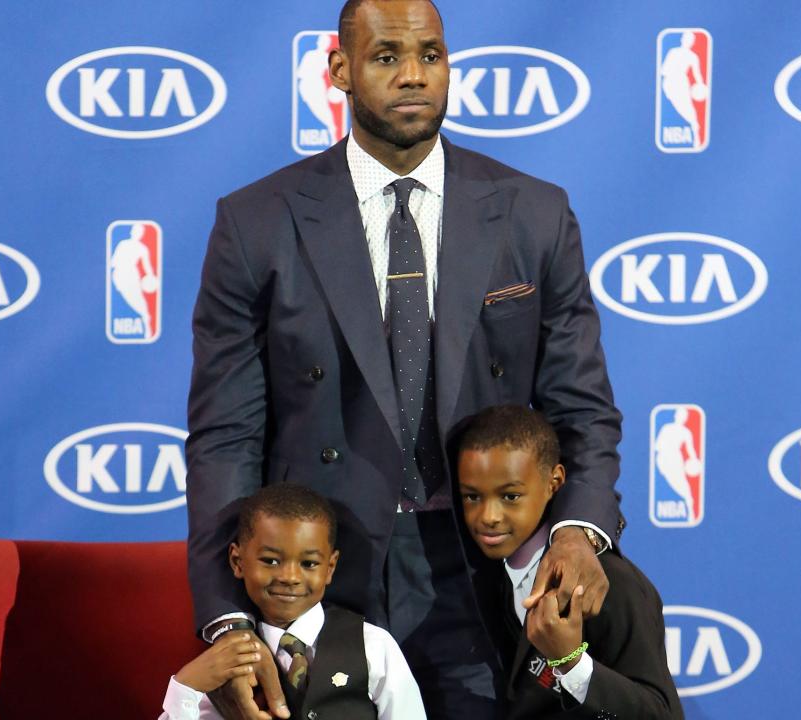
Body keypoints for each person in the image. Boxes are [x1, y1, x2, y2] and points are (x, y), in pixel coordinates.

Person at [185, 1, 623, 717]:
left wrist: (577, 533)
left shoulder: (534, 213)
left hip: (484, 565)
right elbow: (224, 439)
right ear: (340, 70)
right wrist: (232, 623)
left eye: (432, 56)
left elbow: (583, 411)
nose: (414, 76)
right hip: (320, 573)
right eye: (387, 57)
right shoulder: (256, 224)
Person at [457, 405, 683, 719]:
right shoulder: (484, 578)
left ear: (555, 481)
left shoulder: (610, 582)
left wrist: (571, 662)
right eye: (472, 496)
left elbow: (661, 715)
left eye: (510, 496)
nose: (488, 517)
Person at [161, 484, 426, 720]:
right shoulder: (229, 662)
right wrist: (185, 685)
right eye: (271, 561)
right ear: (237, 561)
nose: (289, 577)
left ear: (330, 567)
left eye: (309, 563)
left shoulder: (375, 647)